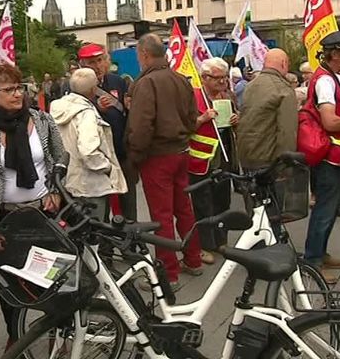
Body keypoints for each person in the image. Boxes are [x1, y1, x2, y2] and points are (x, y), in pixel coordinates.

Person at [0, 64, 64, 348]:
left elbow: (60, 156)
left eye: (18, 87)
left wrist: (56, 190)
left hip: (44, 213)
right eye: (8, 89)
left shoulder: (42, 120)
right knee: (10, 284)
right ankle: (15, 337)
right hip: (5, 218)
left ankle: (61, 332)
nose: (17, 93)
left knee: (53, 278)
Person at [127, 33, 202, 291]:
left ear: (144, 54)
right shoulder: (181, 80)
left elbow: (140, 126)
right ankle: (193, 259)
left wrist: (135, 157)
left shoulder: (146, 83)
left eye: (139, 55)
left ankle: (167, 273)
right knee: (184, 209)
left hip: (157, 156)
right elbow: (193, 118)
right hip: (182, 151)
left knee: (161, 216)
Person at [300, 31, 340, 284]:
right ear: (335, 54)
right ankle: (312, 261)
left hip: (337, 156)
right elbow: (330, 121)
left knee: (331, 208)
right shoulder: (325, 81)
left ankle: (320, 252)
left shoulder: (335, 77)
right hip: (329, 157)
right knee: (325, 209)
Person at [50, 68, 127, 222]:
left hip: (65, 181)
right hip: (90, 185)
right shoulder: (86, 114)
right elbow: (88, 151)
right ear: (93, 89)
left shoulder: (57, 108)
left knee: (74, 234)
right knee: (95, 233)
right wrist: (107, 166)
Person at [78, 43, 136, 221]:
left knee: (128, 198)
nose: (97, 66)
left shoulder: (117, 81)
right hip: (97, 155)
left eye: (100, 60)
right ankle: (104, 242)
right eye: (91, 63)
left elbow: (126, 111)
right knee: (100, 204)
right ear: (81, 65)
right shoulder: (76, 86)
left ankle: (131, 235)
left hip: (120, 150)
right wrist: (97, 109)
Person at [190, 58, 239, 265]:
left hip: (225, 157)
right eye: (217, 78)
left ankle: (221, 240)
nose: (222, 82)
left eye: (224, 78)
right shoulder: (194, 97)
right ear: (204, 78)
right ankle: (205, 244)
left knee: (222, 201)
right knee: (203, 203)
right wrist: (202, 119)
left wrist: (237, 120)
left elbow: (233, 124)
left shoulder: (228, 96)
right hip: (201, 160)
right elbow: (183, 126)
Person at [237, 48, 298, 170]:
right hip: (269, 159)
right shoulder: (283, 90)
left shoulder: (249, 86)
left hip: (246, 154)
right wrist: (285, 164)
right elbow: (287, 132)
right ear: (284, 63)